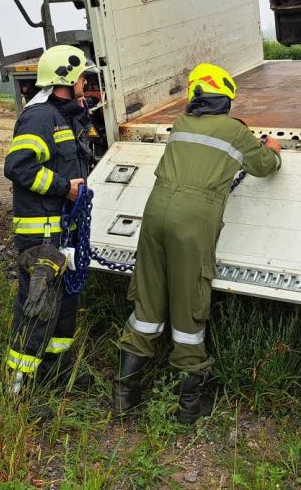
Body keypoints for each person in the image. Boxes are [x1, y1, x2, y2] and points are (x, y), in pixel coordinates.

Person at [112, 63, 282, 423]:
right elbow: (264, 166)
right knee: (189, 305)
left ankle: (124, 397)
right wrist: (274, 149)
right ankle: (189, 407)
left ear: (195, 95)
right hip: (192, 222)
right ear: (224, 98)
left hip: (155, 212)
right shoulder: (236, 133)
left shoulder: (182, 125)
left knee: (147, 301)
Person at [4, 44, 95, 396]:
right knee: (38, 310)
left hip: (63, 232)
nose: (85, 84)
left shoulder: (63, 116)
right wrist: (64, 189)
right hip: (42, 234)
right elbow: (18, 166)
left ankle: (56, 374)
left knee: (64, 308)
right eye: (81, 78)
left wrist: (81, 115)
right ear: (67, 78)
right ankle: (18, 389)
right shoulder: (39, 117)